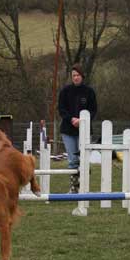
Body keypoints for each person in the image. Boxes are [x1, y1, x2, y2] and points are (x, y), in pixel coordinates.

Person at [58, 63, 97, 194]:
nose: (75, 78)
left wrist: (83, 120)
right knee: (73, 160)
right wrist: (71, 119)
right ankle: (74, 188)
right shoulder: (65, 91)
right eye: (73, 75)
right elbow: (61, 109)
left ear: (82, 76)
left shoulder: (89, 92)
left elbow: (93, 110)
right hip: (68, 130)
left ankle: (84, 187)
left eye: (78, 75)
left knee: (83, 159)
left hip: (84, 130)